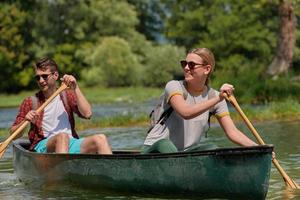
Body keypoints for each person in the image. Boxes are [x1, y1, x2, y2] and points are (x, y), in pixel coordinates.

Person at [142, 48, 257, 153]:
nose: (186, 68)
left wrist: (260, 149)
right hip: (155, 149)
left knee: (211, 148)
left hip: (183, 154)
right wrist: (218, 98)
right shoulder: (173, 86)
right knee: (165, 144)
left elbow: (233, 133)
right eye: (184, 64)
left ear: (207, 69)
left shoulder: (215, 97)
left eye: (191, 65)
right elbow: (185, 113)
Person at [10, 57, 112, 154]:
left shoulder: (67, 96)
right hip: (42, 145)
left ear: (55, 75)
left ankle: (114, 171)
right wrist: (26, 121)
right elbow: (13, 134)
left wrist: (75, 87)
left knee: (100, 139)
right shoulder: (30, 101)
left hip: (71, 142)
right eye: (38, 77)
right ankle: (64, 171)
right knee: (62, 137)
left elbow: (88, 114)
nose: (41, 80)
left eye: (44, 76)